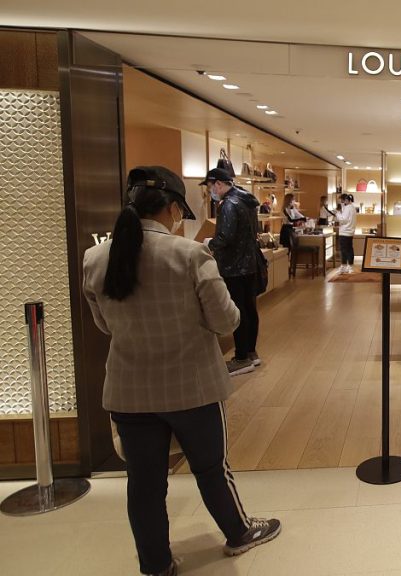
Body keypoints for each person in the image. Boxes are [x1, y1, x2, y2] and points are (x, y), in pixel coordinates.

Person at [82, 166, 281, 576]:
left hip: (128, 389)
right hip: (193, 385)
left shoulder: (96, 257)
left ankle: (155, 563)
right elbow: (227, 321)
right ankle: (239, 532)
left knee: (143, 481)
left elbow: (104, 324)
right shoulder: (189, 254)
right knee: (211, 467)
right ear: (172, 208)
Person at [204, 167, 262, 375]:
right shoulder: (247, 202)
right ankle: (251, 352)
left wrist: (209, 243)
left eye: (210, 187)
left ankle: (241, 357)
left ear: (218, 184)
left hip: (234, 266)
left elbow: (225, 237)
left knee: (238, 311)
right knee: (249, 308)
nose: (210, 192)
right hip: (249, 263)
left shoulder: (229, 204)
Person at [335, 193, 357, 274]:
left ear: (346, 200)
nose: (341, 202)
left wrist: (337, 213)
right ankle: (350, 266)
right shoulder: (353, 208)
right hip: (350, 232)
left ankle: (344, 266)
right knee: (349, 249)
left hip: (344, 232)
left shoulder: (347, 208)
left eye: (342, 200)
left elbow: (343, 220)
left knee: (344, 250)